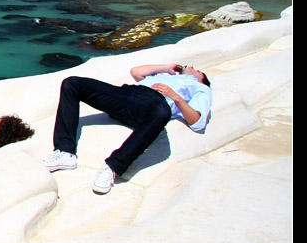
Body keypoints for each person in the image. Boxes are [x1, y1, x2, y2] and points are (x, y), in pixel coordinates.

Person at [41, 63, 212, 195]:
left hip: (154, 104)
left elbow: (197, 121)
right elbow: (136, 72)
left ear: (201, 78)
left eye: (197, 70)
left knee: (163, 111)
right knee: (72, 83)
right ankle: (65, 152)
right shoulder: (166, 75)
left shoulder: (200, 88)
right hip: (126, 94)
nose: (192, 67)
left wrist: (175, 97)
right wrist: (167, 67)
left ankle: (113, 167)